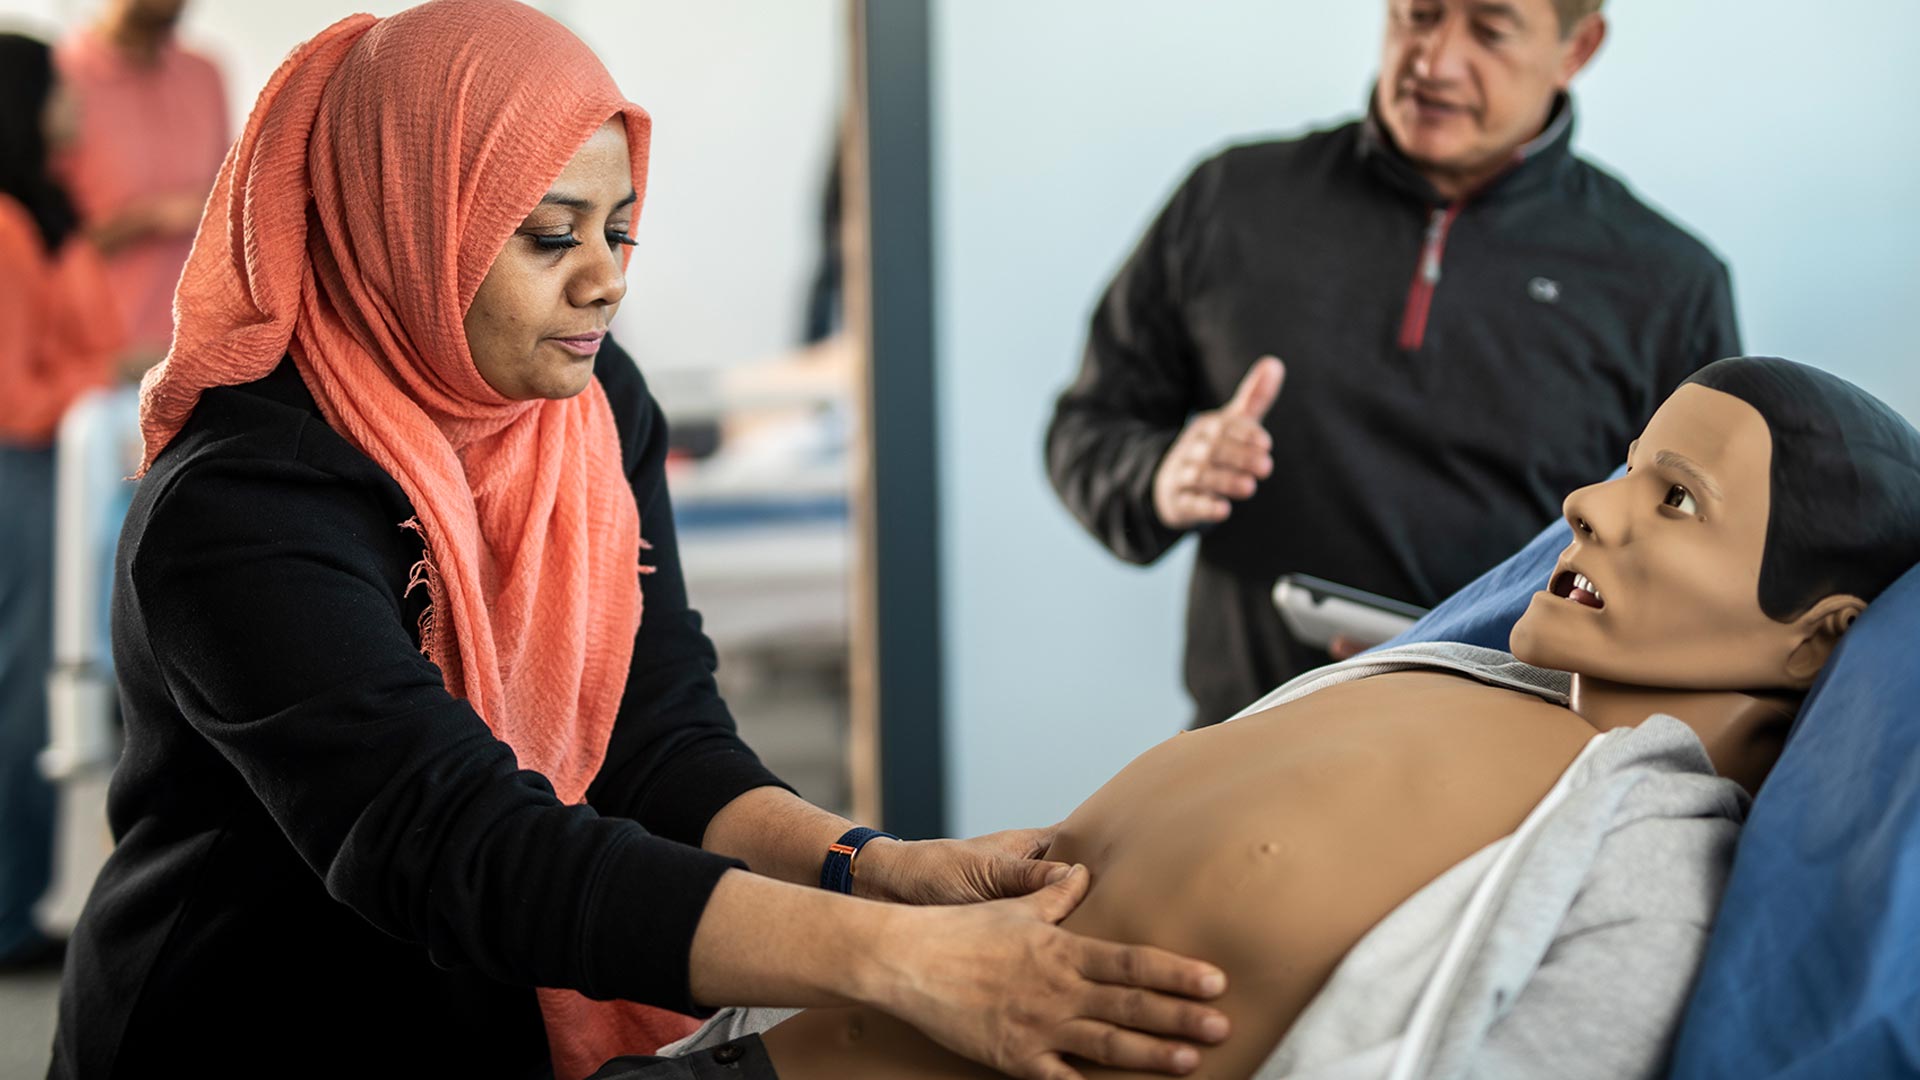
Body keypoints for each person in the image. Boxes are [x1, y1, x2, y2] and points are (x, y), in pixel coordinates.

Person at [48, 4, 1233, 1080]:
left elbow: (656, 739)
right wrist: (897, 957)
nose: (605, 282)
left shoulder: (589, 407)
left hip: (483, 1012)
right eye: (551, 237)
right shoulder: (238, 506)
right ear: (411, 224)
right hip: (242, 1026)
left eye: (621, 230)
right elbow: (452, 841)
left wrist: (874, 866)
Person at [682, 356, 1920, 1078]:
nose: (1587, 503)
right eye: (1627, 463)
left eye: (1679, 500)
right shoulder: (1450, 676)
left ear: (1822, 634)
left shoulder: (1649, 874)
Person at [1045, 0, 1743, 726]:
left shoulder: (1667, 285)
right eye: (1418, 15)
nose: (1432, 62)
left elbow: (1705, 578)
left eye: (1490, 30)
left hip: (1514, 775)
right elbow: (1088, 425)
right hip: (1241, 743)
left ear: (1578, 48)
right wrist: (1159, 477)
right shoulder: (1230, 200)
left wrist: (1472, 658)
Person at [0, 32, 126, 971]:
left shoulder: (45, 207)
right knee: (22, 691)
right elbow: (12, 395)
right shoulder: (3, 224)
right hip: (23, 474)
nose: (76, 101)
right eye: (60, 88)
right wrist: (113, 369)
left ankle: (18, 906)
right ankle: (5, 917)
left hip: (62, 473)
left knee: (43, 688)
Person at [55, 0, 228, 373]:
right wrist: (147, 219)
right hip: (97, 368)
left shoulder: (205, 75)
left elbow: (227, 209)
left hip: (198, 355)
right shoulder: (59, 77)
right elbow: (38, 250)